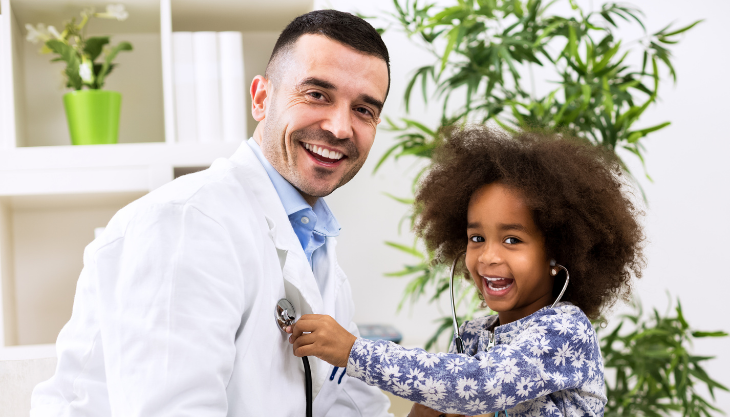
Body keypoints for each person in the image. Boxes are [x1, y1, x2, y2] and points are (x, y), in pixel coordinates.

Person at [31, 10, 394, 416]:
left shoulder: (312, 242)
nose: (341, 128)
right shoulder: (186, 222)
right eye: (317, 94)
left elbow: (341, 405)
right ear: (261, 98)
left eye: (364, 110)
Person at [287, 126, 645, 416]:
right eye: (477, 237)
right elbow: (443, 395)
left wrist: (353, 351)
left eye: (512, 240)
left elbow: (478, 384)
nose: (487, 256)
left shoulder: (565, 330)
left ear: (557, 252)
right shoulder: (472, 335)